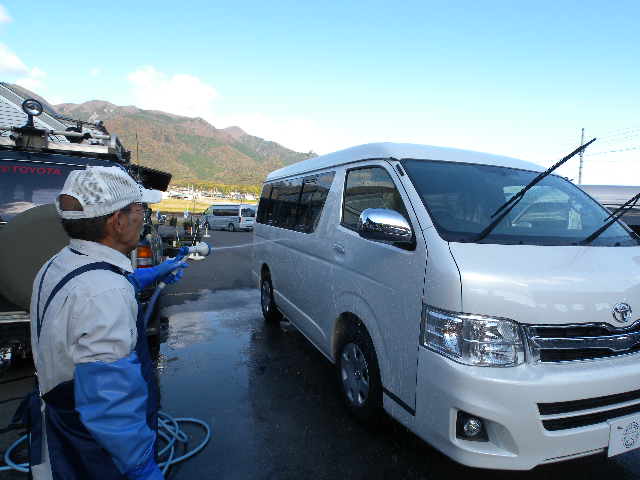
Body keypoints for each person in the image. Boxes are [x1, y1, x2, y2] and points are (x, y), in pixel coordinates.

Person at [27, 166, 187, 480]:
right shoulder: (106, 293)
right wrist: (140, 467)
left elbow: (82, 303)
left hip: (63, 427)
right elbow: (111, 405)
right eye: (140, 210)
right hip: (98, 453)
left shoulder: (58, 262)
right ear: (117, 221)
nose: (143, 218)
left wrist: (143, 277)